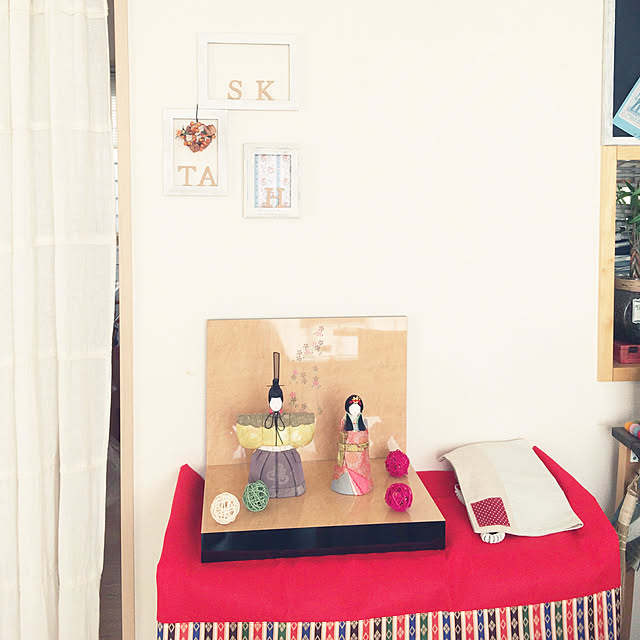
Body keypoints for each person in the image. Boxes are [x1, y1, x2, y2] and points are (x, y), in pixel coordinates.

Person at [330, 394, 373, 495]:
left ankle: (362, 487)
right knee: (345, 474)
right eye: (352, 408)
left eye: (357, 408)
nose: (355, 410)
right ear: (347, 408)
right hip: (347, 454)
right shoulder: (344, 421)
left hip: (361, 456)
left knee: (361, 472)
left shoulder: (364, 421)